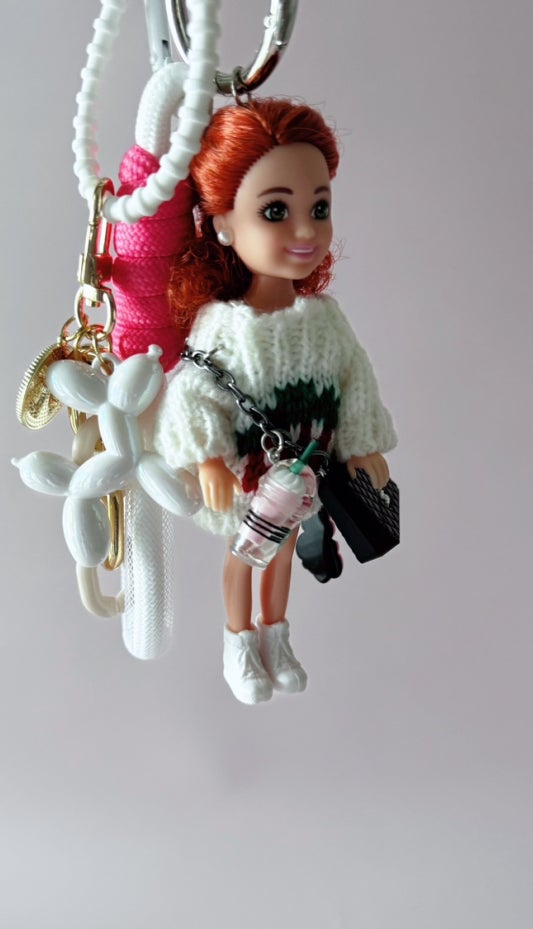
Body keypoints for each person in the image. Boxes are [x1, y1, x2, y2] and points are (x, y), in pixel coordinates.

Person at [154, 98, 397, 705]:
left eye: (320, 208)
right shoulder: (221, 326)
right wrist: (209, 460)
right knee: (245, 554)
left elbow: (354, 379)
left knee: (283, 553)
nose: (306, 231)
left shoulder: (325, 320)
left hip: (306, 472)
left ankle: (276, 638)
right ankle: (238, 643)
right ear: (224, 222)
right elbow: (193, 391)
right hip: (248, 473)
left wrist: (363, 446)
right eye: (275, 211)